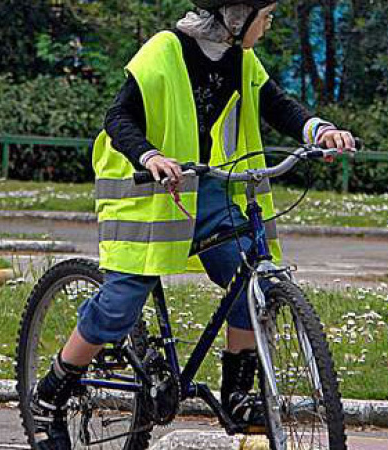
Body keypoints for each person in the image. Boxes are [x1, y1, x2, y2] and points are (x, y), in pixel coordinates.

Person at [28, 1, 356, 448]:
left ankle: (238, 394)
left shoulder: (242, 59)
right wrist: (151, 156)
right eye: (266, 14)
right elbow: (117, 118)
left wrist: (318, 130)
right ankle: (50, 395)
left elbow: (276, 105)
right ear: (236, 18)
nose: (270, 23)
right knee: (121, 304)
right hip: (146, 190)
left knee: (251, 281)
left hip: (204, 188)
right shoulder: (165, 49)